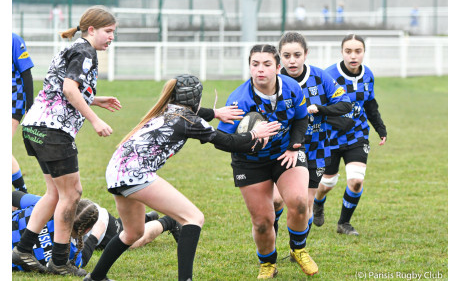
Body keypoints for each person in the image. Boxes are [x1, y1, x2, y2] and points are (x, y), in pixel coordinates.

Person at [84, 74, 281, 281]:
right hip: (136, 174)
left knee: (133, 232)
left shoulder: (165, 108)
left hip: (116, 170)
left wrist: (215, 113)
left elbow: (194, 115)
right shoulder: (189, 120)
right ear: (196, 98)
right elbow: (227, 142)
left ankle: (95, 278)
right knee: (193, 218)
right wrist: (254, 134)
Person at [12, 5, 121, 276]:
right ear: (92, 29)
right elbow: (69, 89)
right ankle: (59, 261)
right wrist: (95, 119)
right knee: (71, 193)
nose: (111, 37)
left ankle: (23, 250)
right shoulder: (85, 51)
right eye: (108, 32)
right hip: (53, 130)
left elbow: (58, 87)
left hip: (34, 127)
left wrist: (95, 99)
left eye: (114, 33)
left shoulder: (72, 48)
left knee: (56, 193)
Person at [217, 44, 312, 279]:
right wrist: (252, 136)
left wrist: (294, 146)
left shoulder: (291, 88)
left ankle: (298, 249)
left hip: (283, 153)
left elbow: (301, 119)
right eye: (255, 64)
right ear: (249, 67)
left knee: (300, 202)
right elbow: (222, 141)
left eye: (267, 64)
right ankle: (268, 264)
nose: (260, 70)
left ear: (278, 67)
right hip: (250, 162)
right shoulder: (239, 100)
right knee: (262, 222)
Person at [272, 32, 352, 276]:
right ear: (280, 58)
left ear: (305, 55)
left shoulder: (320, 76)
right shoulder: (273, 80)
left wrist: (320, 108)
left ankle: (298, 250)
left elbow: (346, 104)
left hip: (316, 148)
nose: (292, 60)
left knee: (304, 204)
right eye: (286, 56)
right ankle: (270, 248)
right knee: (276, 200)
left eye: (297, 55)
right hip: (283, 149)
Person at [313, 34, 387, 236]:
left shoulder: (368, 75)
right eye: (348, 51)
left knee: (356, 181)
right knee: (327, 182)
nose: (353, 56)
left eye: (358, 51)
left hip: (357, 135)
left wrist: (380, 128)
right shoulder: (328, 75)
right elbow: (318, 107)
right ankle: (318, 202)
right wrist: (336, 119)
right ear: (342, 52)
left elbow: (370, 104)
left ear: (363, 52)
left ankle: (344, 223)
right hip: (329, 136)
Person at [12, 191, 181, 272]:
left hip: (99, 219)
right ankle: (148, 218)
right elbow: (83, 259)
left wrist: (97, 232)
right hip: (91, 220)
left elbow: (13, 195)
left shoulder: (44, 207)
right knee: (123, 234)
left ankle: (168, 221)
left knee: (129, 239)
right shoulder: (65, 251)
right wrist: (94, 235)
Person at [12, 33, 34, 193]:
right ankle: (22, 193)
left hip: (13, 101)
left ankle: (23, 194)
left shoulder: (13, 39)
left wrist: (30, 106)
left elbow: (26, 73)